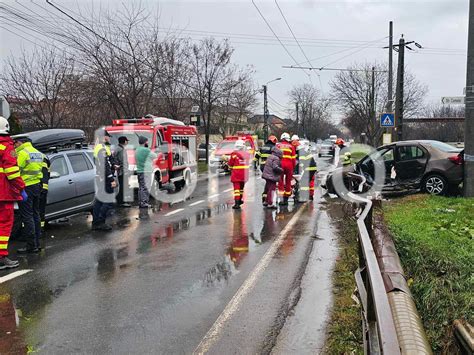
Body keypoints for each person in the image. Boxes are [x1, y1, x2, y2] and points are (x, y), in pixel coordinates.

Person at [0, 116, 25, 268]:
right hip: (3, 193)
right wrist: (21, 188)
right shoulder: (7, 146)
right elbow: (12, 172)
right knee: (4, 225)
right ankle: (2, 257)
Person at [14, 136, 43, 254]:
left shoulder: (22, 153)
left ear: (21, 142)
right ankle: (36, 243)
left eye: (15, 143)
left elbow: (15, 170)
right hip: (36, 186)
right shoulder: (37, 153)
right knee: (35, 215)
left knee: (27, 216)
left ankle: (31, 246)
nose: (15, 145)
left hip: (25, 187)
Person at [92, 129, 117, 231]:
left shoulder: (102, 147)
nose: (108, 138)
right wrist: (111, 179)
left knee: (99, 200)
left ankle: (96, 222)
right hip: (105, 178)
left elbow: (108, 162)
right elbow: (104, 165)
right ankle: (101, 222)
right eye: (107, 136)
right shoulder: (101, 148)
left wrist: (114, 164)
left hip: (101, 177)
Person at [135, 136, 157, 212]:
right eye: (147, 141)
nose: (147, 142)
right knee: (146, 187)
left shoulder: (137, 149)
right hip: (146, 171)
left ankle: (141, 202)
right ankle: (144, 203)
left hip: (139, 170)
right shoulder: (146, 150)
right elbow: (155, 156)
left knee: (141, 187)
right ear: (145, 142)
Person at [254, 135, 278, 203]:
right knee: (271, 182)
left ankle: (265, 196)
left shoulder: (263, 147)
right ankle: (268, 199)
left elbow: (256, 157)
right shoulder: (274, 148)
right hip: (270, 167)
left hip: (263, 167)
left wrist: (255, 165)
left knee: (268, 181)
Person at [228, 139, 251, 210]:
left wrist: (230, 168)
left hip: (236, 174)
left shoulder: (234, 154)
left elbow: (230, 164)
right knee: (241, 188)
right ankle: (240, 200)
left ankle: (237, 203)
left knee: (236, 189)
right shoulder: (247, 154)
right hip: (244, 174)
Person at [276, 132, 296, 205]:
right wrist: (292, 168)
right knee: (288, 182)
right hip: (289, 165)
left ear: (282, 138)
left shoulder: (278, 146)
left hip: (280, 165)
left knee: (280, 181)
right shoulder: (291, 147)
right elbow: (293, 159)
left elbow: (275, 157)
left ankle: (281, 199)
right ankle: (286, 198)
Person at [113, 136, 131, 207]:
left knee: (122, 186)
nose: (127, 142)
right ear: (124, 141)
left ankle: (119, 200)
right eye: (127, 141)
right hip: (122, 171)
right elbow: (122, 162)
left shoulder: (119, 148)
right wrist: (126, 171)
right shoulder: (120, 150)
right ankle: (121, 202)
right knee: (123, 187)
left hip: (121, 171)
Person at [39, 153, 50, 231]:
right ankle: (40, 229)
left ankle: (40, 229)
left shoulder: (42, 158)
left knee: (39, 211)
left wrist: (43, 188)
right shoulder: (44, 156)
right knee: (40, 211)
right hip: (41, 188)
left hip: (40, 188)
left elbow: (45, 173)